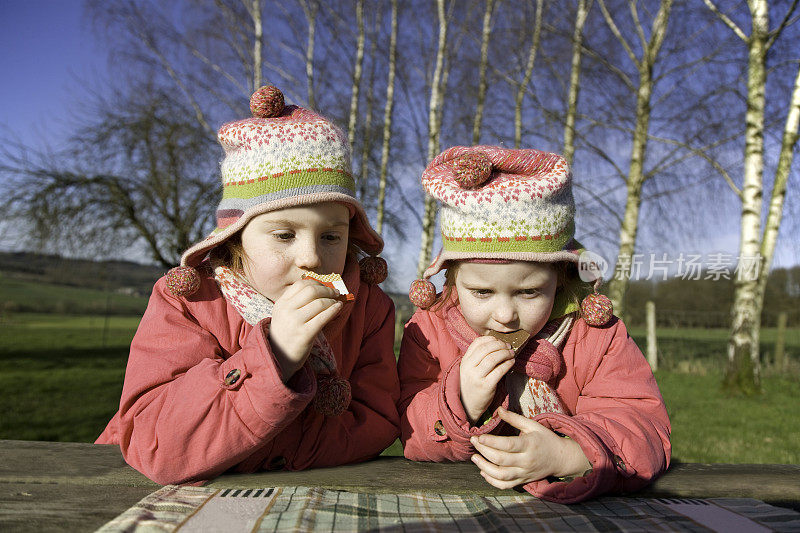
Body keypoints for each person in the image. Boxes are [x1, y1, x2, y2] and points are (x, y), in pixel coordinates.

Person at [96, 86, 400, 485]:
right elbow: (156, 442)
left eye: (331, 236)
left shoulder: (367, 307)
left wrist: (253, 454)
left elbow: (376, 420)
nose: (312, 257)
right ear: (236, 236)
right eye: (284, 235)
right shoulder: (191, 300)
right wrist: (275, 358)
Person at [398, 146, 670, 503]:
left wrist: (570, 454)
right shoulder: (430, 331)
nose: (505, 314)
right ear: (451, 278)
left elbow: (642, 424)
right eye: (481, 292)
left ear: (560, 277)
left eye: (528, 292)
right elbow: (407, 427)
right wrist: (460, 399)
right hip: (456, 501)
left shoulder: (596, 335)